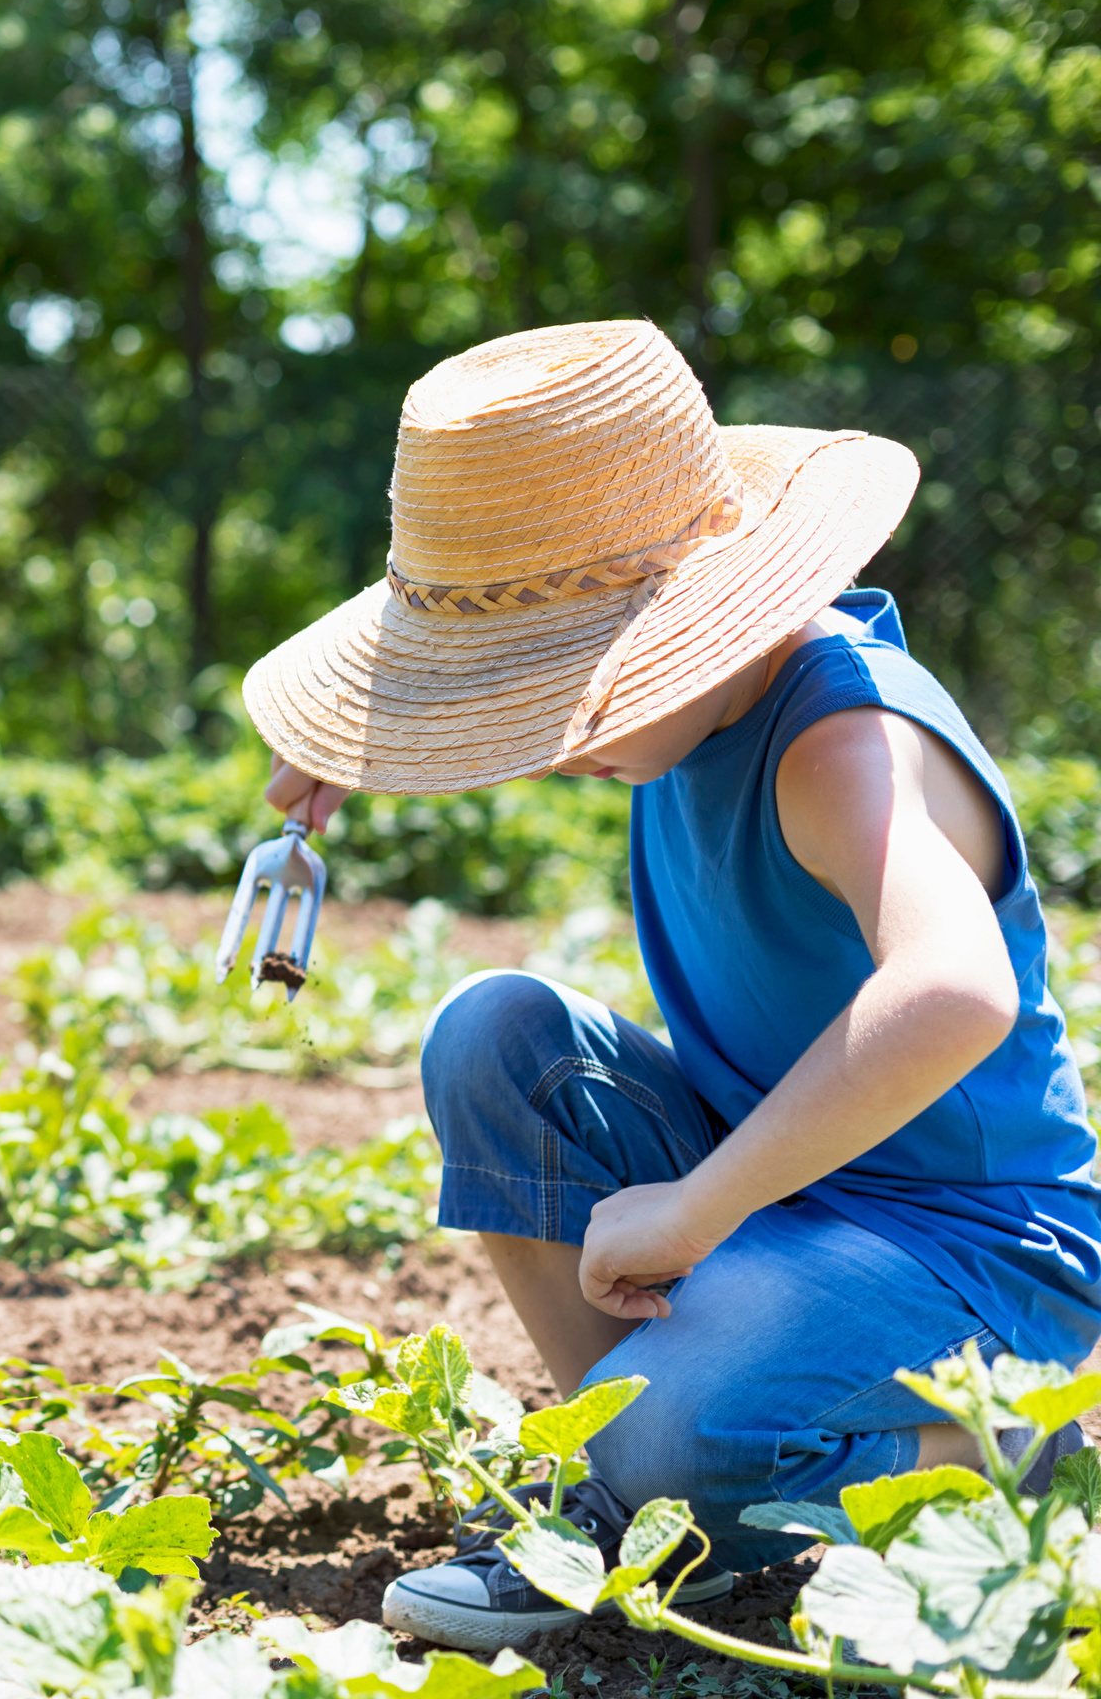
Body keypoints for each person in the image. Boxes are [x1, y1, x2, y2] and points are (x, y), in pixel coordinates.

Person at [242, 321, 1101, 1651]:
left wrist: (701, 1206)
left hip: (976, 1249)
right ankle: (635, 1502)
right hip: (801, 1190)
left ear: (692, 620)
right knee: (497, 1036)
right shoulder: (682, 711)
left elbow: (956, 994)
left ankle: (1009, 1469)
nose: (543, 734)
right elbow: (585, 724)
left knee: (673, 1425)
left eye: (555, 687)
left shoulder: (839, 737)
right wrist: (379, 739)